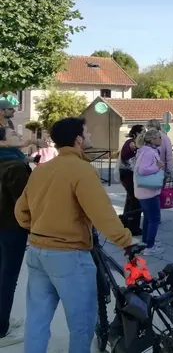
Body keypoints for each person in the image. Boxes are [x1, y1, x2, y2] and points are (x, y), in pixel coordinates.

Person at [15, 117, 133, 353]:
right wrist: (126, 241)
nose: (89, 137)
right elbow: (102, 213)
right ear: (78, 139)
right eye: (87, 133)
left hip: (38, 251)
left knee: (37, 320)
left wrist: (40, 228)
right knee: (81, 324)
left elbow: (20, 211)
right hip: (69, 254)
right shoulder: (81, 170)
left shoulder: (42, 170)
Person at [0, 127, 31, 347]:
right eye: (13, 136)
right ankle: (2, 330)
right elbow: (25, 203)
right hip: (12, 228)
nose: (19, 137)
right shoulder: (16, 166)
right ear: (2, 143)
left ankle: (2, 319)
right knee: (7, 279)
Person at [134, 129, 165, 256]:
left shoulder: (144, 151)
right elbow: (142, 170)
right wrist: (158, 167)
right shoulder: (149, 152)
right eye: (158, 137)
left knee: (148, 218)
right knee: (154, 219)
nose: (161, 139)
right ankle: (150, 247)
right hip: (149, 191)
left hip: (143, 191)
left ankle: (147, 242)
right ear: (152, 140)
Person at [118, 125, 144, 235]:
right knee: (135, 202)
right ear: (136, 133)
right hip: (129, 177)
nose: (144, 134)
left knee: (130, 201)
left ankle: (125, 222)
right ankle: (133, 227)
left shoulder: (131, 142)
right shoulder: (131, 143)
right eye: (143, 132)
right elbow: (127, 157)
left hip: (127, 176)